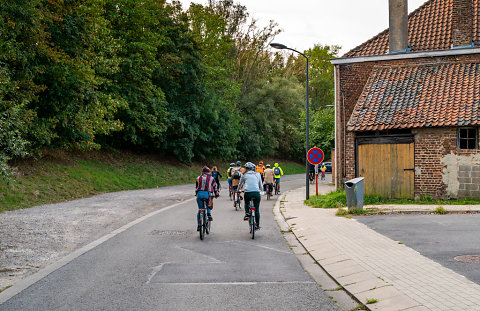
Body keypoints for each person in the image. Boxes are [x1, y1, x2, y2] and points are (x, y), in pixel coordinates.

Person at [238, 162, 263, 229]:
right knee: (257, 209)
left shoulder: (244, 175)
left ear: (247, 169)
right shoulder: (258, 174)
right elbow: (261, 185)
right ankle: (257, 225)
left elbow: (240, 184)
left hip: (248, 193)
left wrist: (238, 190)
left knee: (246, 203)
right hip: (256, 193)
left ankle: (246, 213)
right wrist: (262, 191)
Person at [195, 166, 218, 231]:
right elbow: (215, 187)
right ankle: (209, 214)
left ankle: (199, 225)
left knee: (200, 209)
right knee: (209, 203)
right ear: (208, 172)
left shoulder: (198, 178)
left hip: (199, 194)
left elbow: (197, 187)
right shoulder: (212, 178)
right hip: (207, 195)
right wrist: (216, 194)